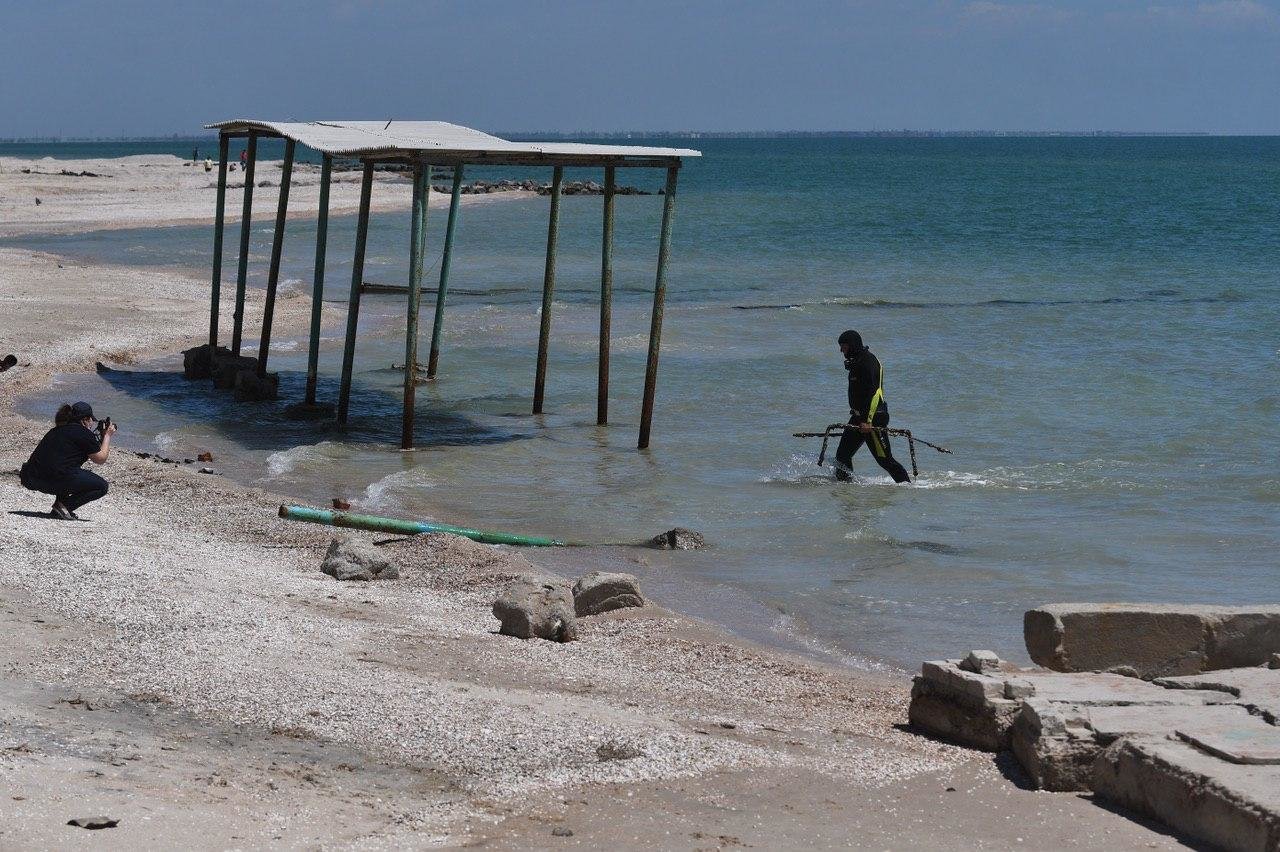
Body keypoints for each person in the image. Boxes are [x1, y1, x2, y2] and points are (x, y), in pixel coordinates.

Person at [833, 330, 911, 484]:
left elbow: (874, 393)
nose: (841, 350)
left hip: (873, 417)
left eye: (844, 346)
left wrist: (868, 421)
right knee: (842, 456)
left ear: (853, 345)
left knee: (885, 460)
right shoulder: (857, 361)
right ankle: (845, 489)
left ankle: (907, 487)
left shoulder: (868, 361)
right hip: (858, 417)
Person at [19, 401, 115, 519]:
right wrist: (107, 436)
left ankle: (59, 509)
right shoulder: (83, 433)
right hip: (53, 480)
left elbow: (60, 460)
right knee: (101, 486)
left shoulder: (56, 430)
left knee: (66, 467)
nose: (91, 423)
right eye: (91, 420)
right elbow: (100, 459)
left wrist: (101, 437)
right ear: (85, 420)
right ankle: (64, 506)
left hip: (32, 478)